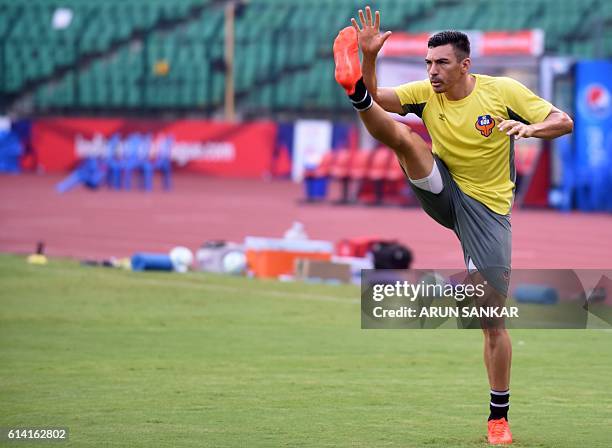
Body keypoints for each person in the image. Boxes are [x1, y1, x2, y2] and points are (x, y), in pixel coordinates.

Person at [333, 6, 573, 445]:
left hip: (487, 212)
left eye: (441, 63)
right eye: (428, 63)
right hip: (443, 191)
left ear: (465, 65)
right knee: (403, 136)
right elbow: (379, 94)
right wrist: (367, 61)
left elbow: (563, 121)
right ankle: (352, 97)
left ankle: (497, 418)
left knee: (492, 320)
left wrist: (530, 129)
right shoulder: (427, 92)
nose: (433, 71)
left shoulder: (502, 92)